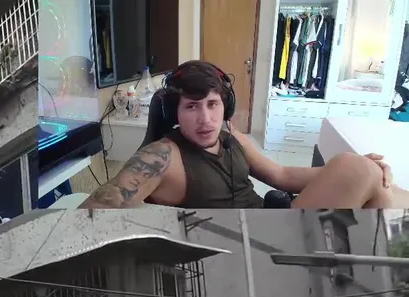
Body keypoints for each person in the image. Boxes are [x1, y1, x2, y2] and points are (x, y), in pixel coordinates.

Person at [80, 60, 405, 209]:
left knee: (375, 180)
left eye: (212, 104)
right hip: (252, 250)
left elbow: (281, 174)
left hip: (271, 222)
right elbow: (97, 208)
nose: (205, 119)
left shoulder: (228, 134)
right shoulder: (162, 155)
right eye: (192, 107)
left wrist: (341, 174)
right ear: (174, 112)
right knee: (356, 168)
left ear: (226, 106)